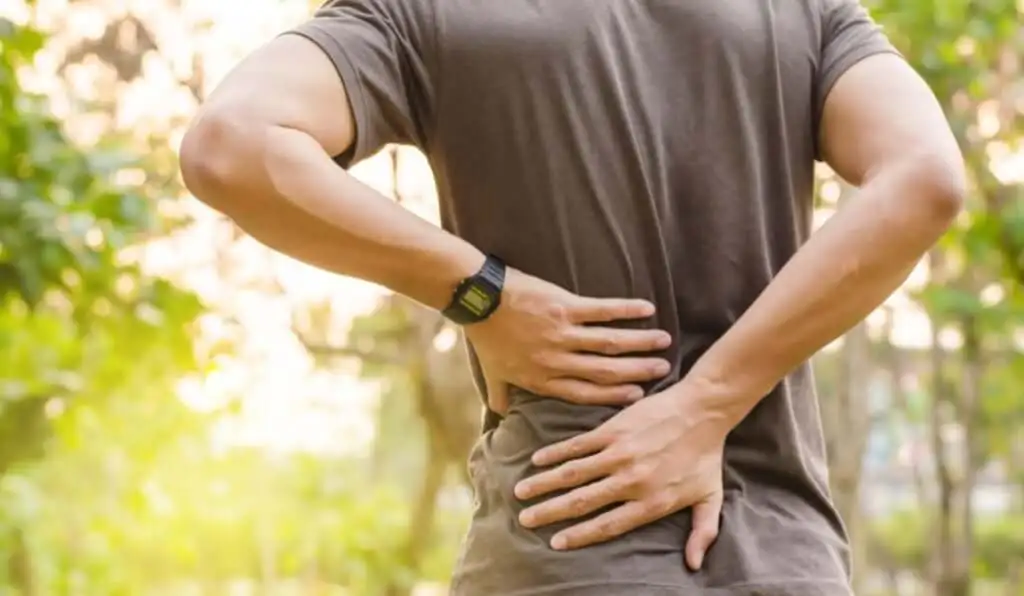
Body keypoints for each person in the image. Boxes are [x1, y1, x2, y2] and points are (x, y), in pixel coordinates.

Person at [179, 0, 965, 593]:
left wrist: (480, 294)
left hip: (565, 548)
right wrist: (712, 402)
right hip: (786, 561)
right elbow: (925, 175)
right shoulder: (800, 9)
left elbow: (232, 143)